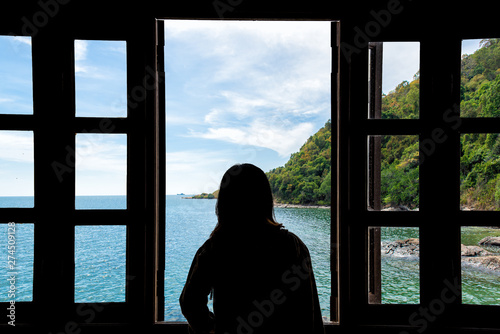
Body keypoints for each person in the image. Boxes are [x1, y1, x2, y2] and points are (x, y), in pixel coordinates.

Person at [180, 163, 325, 334]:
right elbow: (308, 311)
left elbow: (189, 301)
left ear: (224, 204)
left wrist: (212, 329)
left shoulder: (216, 248)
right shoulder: (292, 246)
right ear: (265, 200)